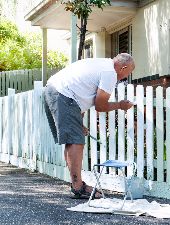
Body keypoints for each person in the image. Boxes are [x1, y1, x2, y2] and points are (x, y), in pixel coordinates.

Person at [43, 53, 135, 199]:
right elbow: (100, 105)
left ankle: (76, 184)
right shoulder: (110, 73)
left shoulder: (102, 63)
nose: (123, 78)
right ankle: (78, 186)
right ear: (123, 67)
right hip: (63, 95)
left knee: (72, 140)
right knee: (75, 141)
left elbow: (81, 92)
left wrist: (79, 122)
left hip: (54, 90)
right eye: (126, 74)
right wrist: (120, 105)